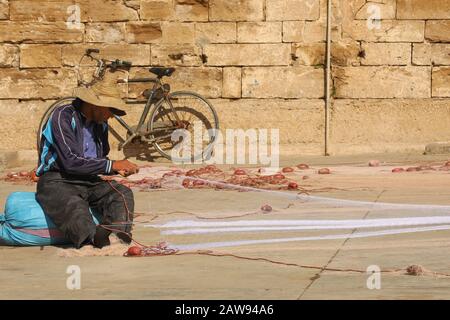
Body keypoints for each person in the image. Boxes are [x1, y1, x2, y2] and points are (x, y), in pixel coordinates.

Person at [35, 75, 139, 248]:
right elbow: (70, 161)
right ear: (94, 104)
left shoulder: (101, 125)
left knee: (122, 193)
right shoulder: (62, 116)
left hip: (88, 180)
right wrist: (112, 165)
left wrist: (113, 169)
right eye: (110, 110)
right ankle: (93, 238)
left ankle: (119, 234)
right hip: (58, 179)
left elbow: (97, 160)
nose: (111, 116)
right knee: (74, 206)